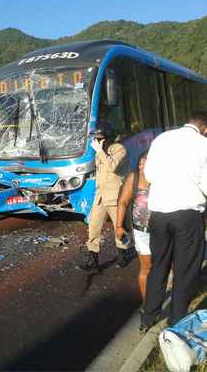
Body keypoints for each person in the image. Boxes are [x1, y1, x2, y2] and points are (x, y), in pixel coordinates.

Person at [140, 112, 207, 332]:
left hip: (159, 214)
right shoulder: (202, 144)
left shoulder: (162, 139)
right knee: (185, 268)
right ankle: (176, 320)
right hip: (187, 215)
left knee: (158, 265)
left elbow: (148, 174)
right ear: (205, 128)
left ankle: (148, 317)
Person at [81, 121, 130, 269]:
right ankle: (93, 258)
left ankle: (123, 254)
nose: (97, 141)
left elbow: (113, 166)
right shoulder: (99, 151)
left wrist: (100, 151)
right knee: (94, 226)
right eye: (96, 139)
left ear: (108, 137)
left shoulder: (119, 149)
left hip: (115, 196)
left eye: (100, 138)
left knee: (118, 227)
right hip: (100, 196)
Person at [116, 151, 151, 303]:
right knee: (146, 269)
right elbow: (123, 202)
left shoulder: (163, 177)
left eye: (146, 163)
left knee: (168, 266)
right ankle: (148, 305)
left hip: (163, 230)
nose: (142, 167)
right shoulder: (133, 178)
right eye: (140, 163)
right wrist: (118, 226)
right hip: (141, 231)